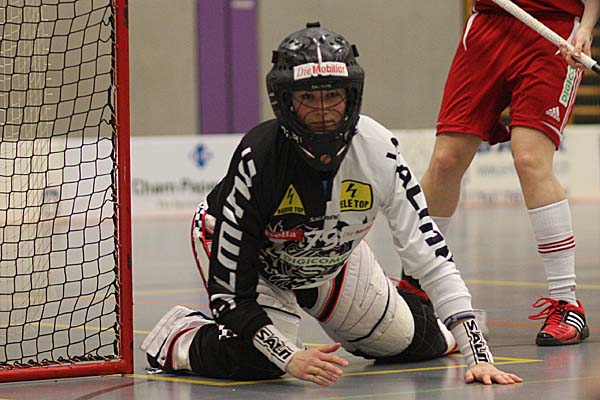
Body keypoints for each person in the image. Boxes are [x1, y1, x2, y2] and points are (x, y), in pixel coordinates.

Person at [141, 22, 522, 386]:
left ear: (351, 96)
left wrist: (478, 355)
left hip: (330, 258)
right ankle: (177, 336)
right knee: (260, 361)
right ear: (285, 101)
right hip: (256, 264)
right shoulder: (257, 156)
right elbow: (230, 295)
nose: (322, 110)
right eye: (308, 97)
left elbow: (431, 255)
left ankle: (391, 308)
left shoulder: (379, 150)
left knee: (418, 342)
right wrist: (289, 357)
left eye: (332, 96)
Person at [420, 0, 599, 346]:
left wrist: (587, 27)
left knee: (530, 158)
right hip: (489, 25)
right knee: (446, 160)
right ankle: (416, 287)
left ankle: (566, 303)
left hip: (555, 29)